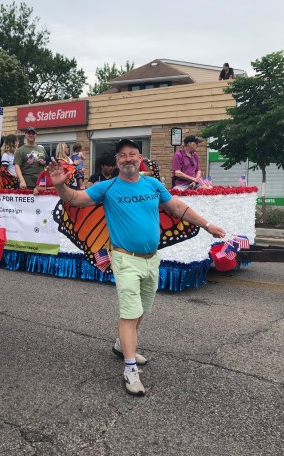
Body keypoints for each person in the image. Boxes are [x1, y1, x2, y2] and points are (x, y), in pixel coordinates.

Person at [47, 139, 225, 396]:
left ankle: (122, 346)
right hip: (124, 259)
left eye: (132, 154)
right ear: (117, 161)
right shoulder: (106, 188)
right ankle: (130, 370)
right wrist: (60, 185)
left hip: (151, 259)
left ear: (140, 157)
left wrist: (208, 225)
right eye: (122, 155)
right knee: (130, 313)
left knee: (141, 309)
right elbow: (75, 199)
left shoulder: (152, 184)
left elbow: (176, 206)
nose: (128, 159)